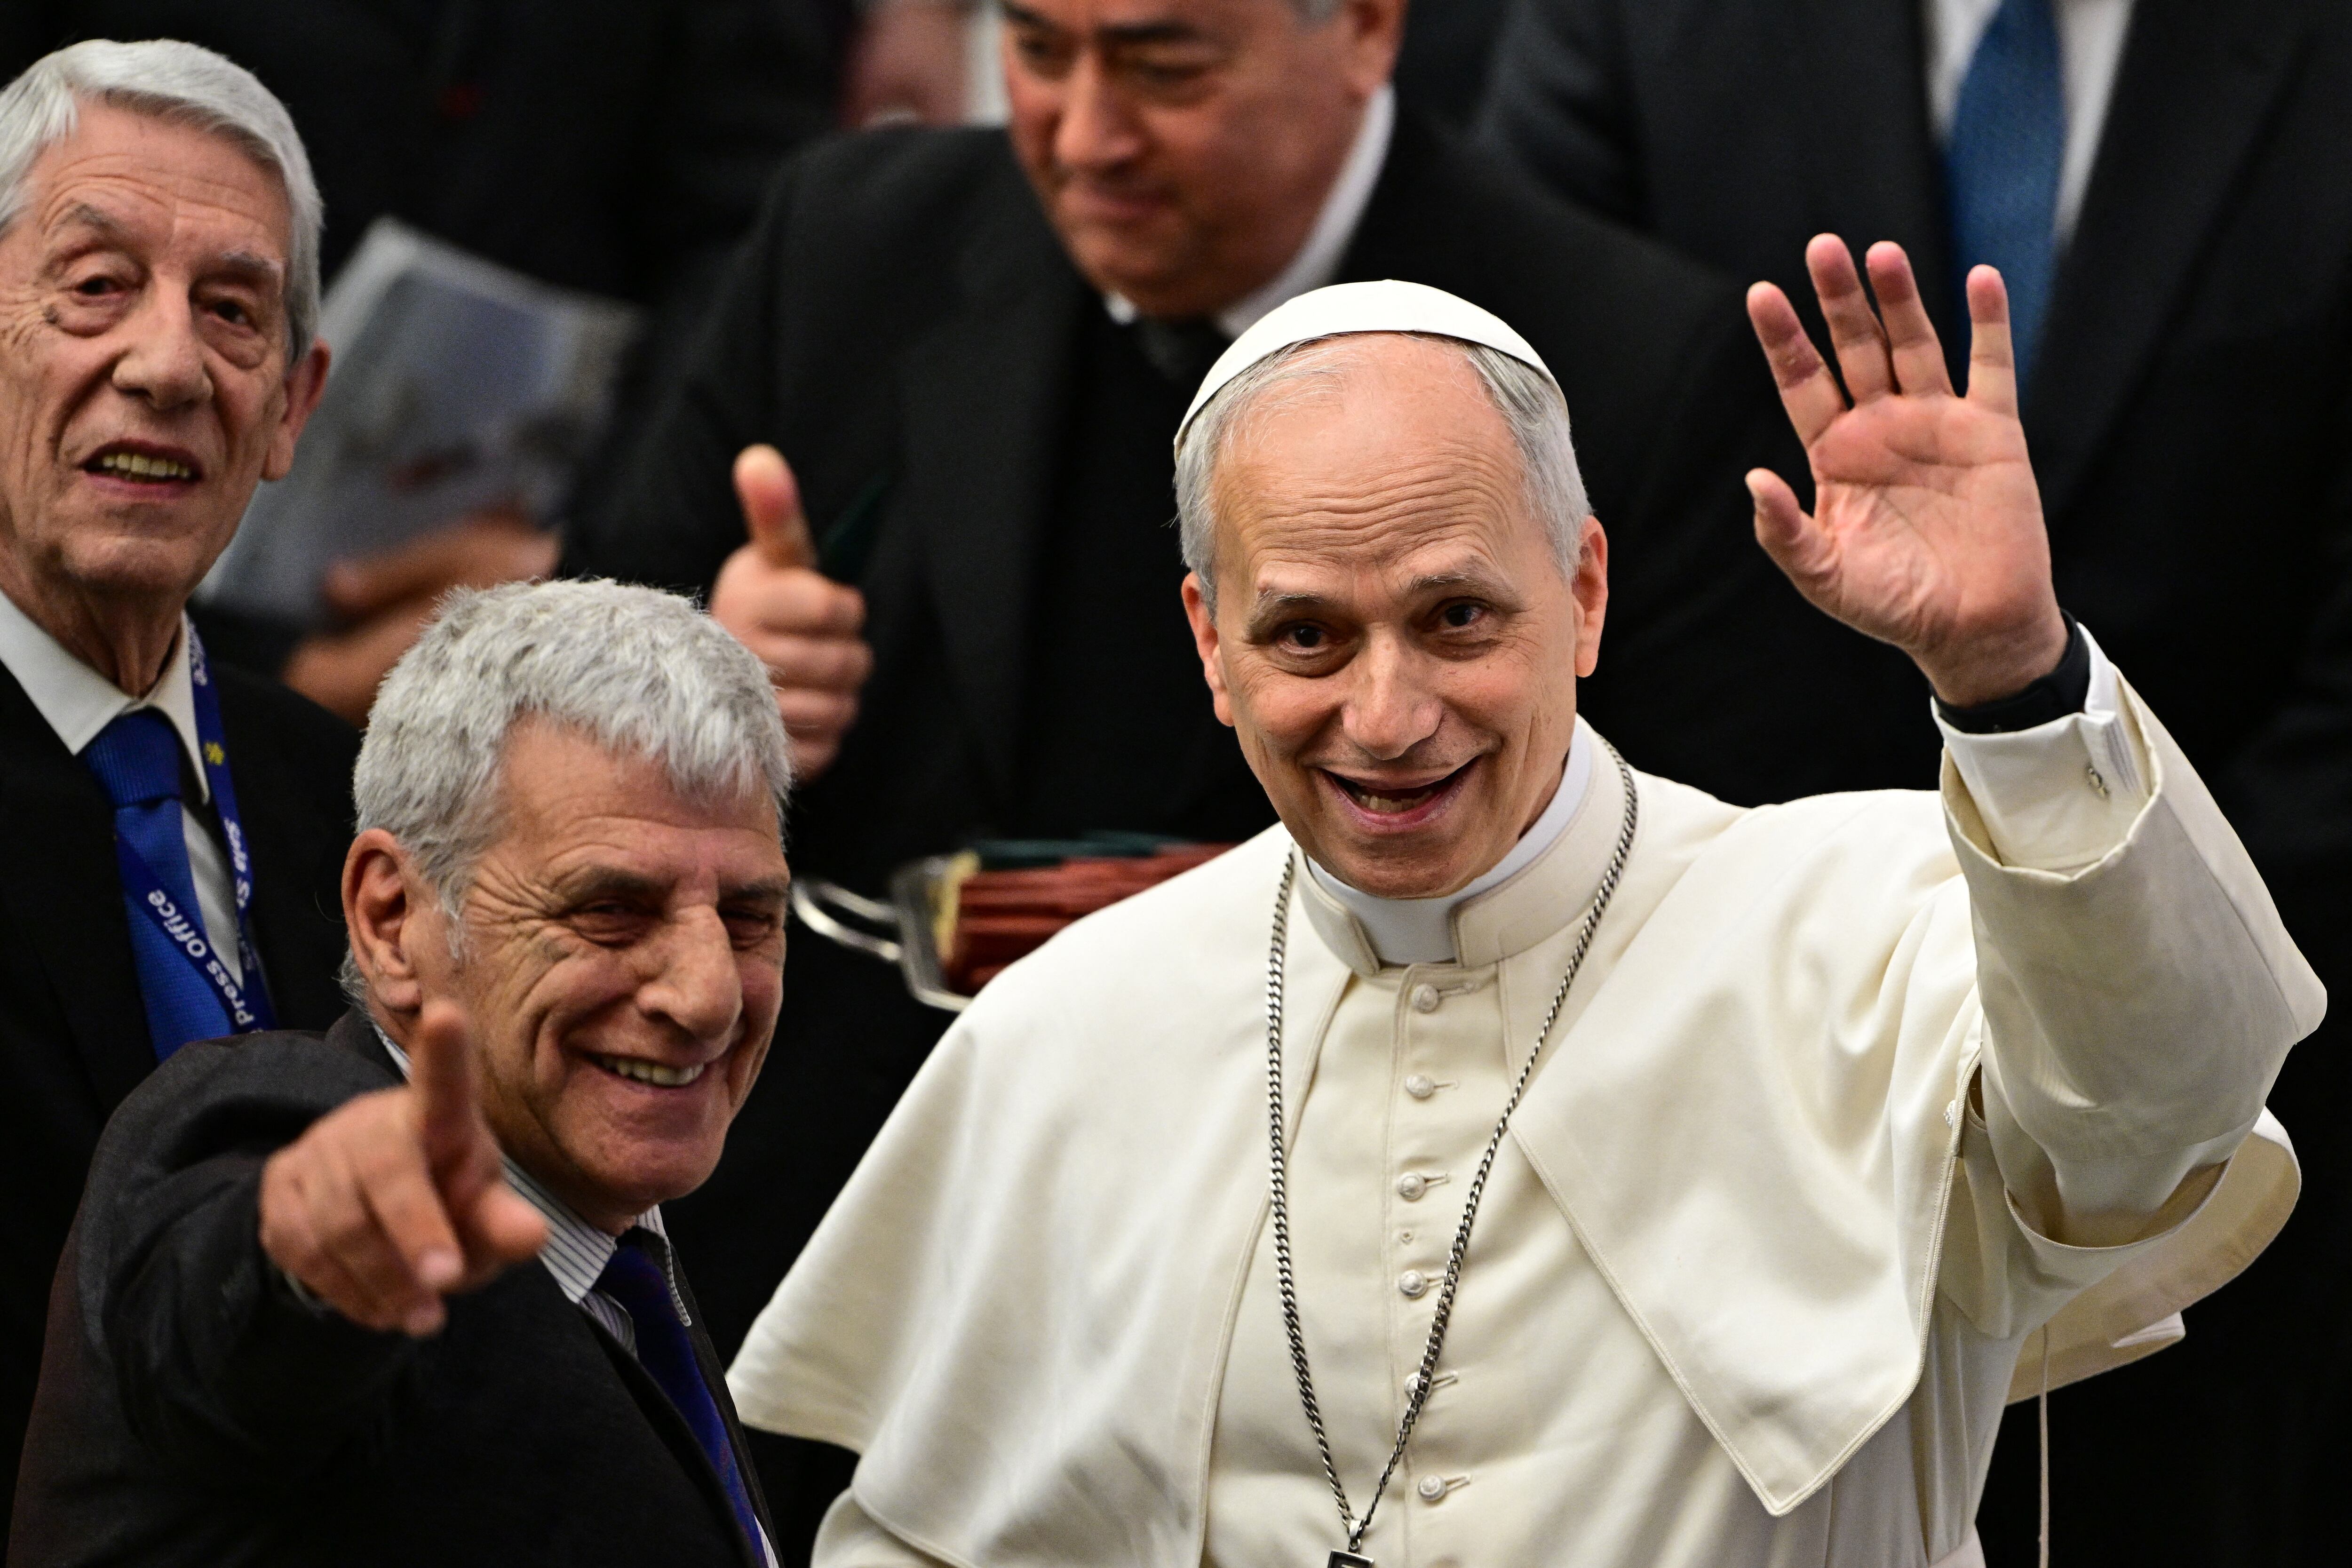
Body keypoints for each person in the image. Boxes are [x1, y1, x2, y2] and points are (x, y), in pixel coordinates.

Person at [723, 256, 2320, 1566]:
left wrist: (2015, 681)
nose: (1389, 713)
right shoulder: (1070, 1030)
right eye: (1306, 639)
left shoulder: (1874, 924)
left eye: (1457, 614)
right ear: (1210, 643)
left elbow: (2162, 1107)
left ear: (1588, 594)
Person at [564, 0, 1867, 1491]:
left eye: (1167, 66)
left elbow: (1714, 897)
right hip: (873, 1206)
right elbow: (582, 675)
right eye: (1041, 53)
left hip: (1397, 1290)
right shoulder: (855, 242)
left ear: (1366, 30)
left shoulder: (1621, 357)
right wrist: (719, 672)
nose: (1089, 132)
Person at [1478, 3, 2352, 1559]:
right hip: (1700, 1099)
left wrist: (2132, 970)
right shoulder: (1632, 31)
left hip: (2258, 1123)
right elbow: (1525, 512)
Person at [12, 580, 795, 1568]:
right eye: (611, 910)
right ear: (392, 920)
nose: (709, 992)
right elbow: (213, 1317)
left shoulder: (618, 1240)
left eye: (746, 917)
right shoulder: (280, 1123)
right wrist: (305, 1262)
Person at [0, 0, 849, 720]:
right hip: (124, 616)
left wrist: (589, 575)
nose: (169, 362)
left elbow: (743, 230)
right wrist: (263, 667)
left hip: (559, 590)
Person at [0, 40, 355, 1528]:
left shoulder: (355, 801)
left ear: (290, 405)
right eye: (94, 286)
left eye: (233, 310)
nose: (165, 365)